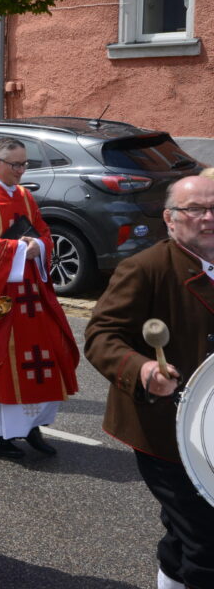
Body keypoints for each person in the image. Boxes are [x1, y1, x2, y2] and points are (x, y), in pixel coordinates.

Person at [86, 174, 214, 589]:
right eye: (195, 210)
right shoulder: (144, 268)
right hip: (166, 431)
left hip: (213, 427)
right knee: (206, 543)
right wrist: (141, 370)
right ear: (170, 219)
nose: (208, 218)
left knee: (188, 530)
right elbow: (102, 336)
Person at [0, 136, 79, 459]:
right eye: (16, 165)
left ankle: (31, 428)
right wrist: (21, 249)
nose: (22, 171)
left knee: (40, 362)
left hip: (30, 299)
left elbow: (43, 232)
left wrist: (39, 247)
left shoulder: (24, 196)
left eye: (25, 164)